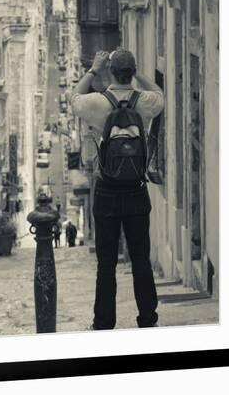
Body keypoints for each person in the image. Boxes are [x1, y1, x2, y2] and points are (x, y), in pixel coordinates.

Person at [70, 48, 164, 329]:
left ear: (110, 73)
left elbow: (73, 97)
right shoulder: (145, 101)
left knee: (106, 263)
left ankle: (104, 322)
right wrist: (140, 75)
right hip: (136, 190)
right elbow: (160, 95)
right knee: (140, 259)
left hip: (107, 191)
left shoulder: (97, 103)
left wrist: (92, 70)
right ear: (131, 72)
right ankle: (147, 318)